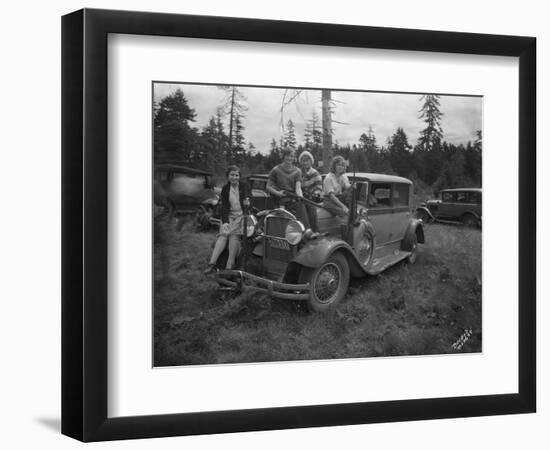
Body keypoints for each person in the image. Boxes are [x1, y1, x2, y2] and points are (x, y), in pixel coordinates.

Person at [204, 165, 250, 274]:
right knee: (223, 236)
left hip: (241, 217)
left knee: (234, 237)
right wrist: (225, 222)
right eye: (232, 175)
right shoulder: (225, 189)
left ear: (239, 176)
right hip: (228, 216)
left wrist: (248, 203)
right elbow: (224, 207)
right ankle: (212, 264)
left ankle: (229, 266)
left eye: (237, 175)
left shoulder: (245, 187)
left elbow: (249, 201)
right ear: (228, 176)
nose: (234, 177)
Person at [266, 147, 311, 230]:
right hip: (280, 198)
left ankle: (310, 231)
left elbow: (298, 188)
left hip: (292, 197)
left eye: (292, 156)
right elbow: (268, 187)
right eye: (288, 156)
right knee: (299, 206)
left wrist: (300, 196)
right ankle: (306, 230)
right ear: (283, 156)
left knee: (308, 205)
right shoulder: (275, 170)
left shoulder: (297, 171)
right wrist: (278, 193)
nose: (290, 158)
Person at [298, 150, 322, 232]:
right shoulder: (298, 172)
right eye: (303, 160)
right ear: (301, 162)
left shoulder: (315, 173)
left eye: (307, 160)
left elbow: (319, 187)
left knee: (311, 209)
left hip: (312, 197)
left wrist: (315, 192)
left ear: (311, 161)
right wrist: (311, 182)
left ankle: (314, 231)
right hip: (300, 196)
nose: (305, 163)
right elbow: (299, 185)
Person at [323, 155, 351, 221]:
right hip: (329, 201)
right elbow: (332, 196)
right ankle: (347, 229)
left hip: (339, 198)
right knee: (344, 212)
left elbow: (347, 185)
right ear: (334, 165)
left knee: (350, 192)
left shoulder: (343, 176)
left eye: (342, 165)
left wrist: (351, 186)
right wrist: (343, 207)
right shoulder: (328, 178)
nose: (341, 167)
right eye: (338, 165)